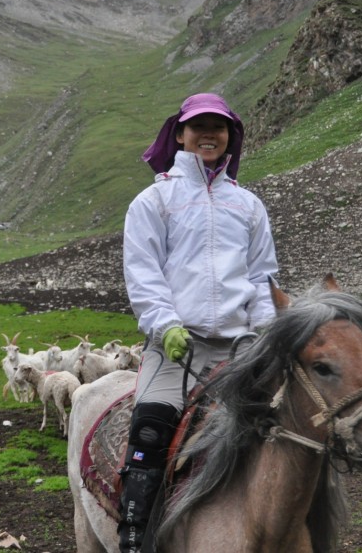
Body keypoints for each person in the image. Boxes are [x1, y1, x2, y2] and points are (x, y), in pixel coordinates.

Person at [117, 92, 279, 552]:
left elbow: (262, 275)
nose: (209, 134)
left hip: (238, 349)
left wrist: (264, 333)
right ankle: (134, 537)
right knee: (151, 428)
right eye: (199, 126)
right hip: (176, 347)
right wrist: (165, 324)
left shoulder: (248, 205)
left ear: (231, 136)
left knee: (284, 430)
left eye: (219, 127)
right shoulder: (154, 200)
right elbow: (143, 270)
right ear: (180, 135)